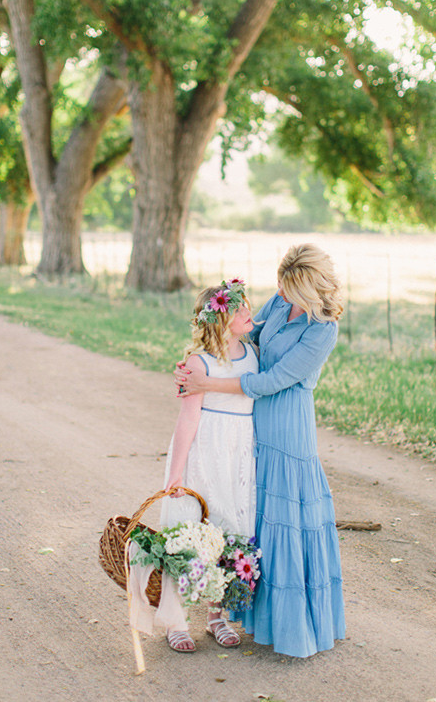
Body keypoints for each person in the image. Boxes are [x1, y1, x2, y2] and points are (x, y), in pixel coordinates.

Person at [175, 243, 345, 658]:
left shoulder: (322, 329)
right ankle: (242, 612)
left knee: (285, 520)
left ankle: (294, 626)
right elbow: (244, 329)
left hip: (287, 427)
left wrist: (207, 384)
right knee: (251, 513)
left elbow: (272, 380)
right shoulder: (280, 298)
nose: (280, 295)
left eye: (289, 289)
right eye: (280, 286)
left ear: (309, 289)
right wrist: (198, 362)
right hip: (249, 423)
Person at [160, 278, 258, 653]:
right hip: (204, 452)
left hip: (238, 453)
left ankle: (219, 615)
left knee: (229, 528)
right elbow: (187, 420)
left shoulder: (253, 355)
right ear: (221, 319)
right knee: (191, 530)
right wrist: (176, 473)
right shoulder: (198, 363)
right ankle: (177, 620)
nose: (250, 312)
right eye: (241, 309)